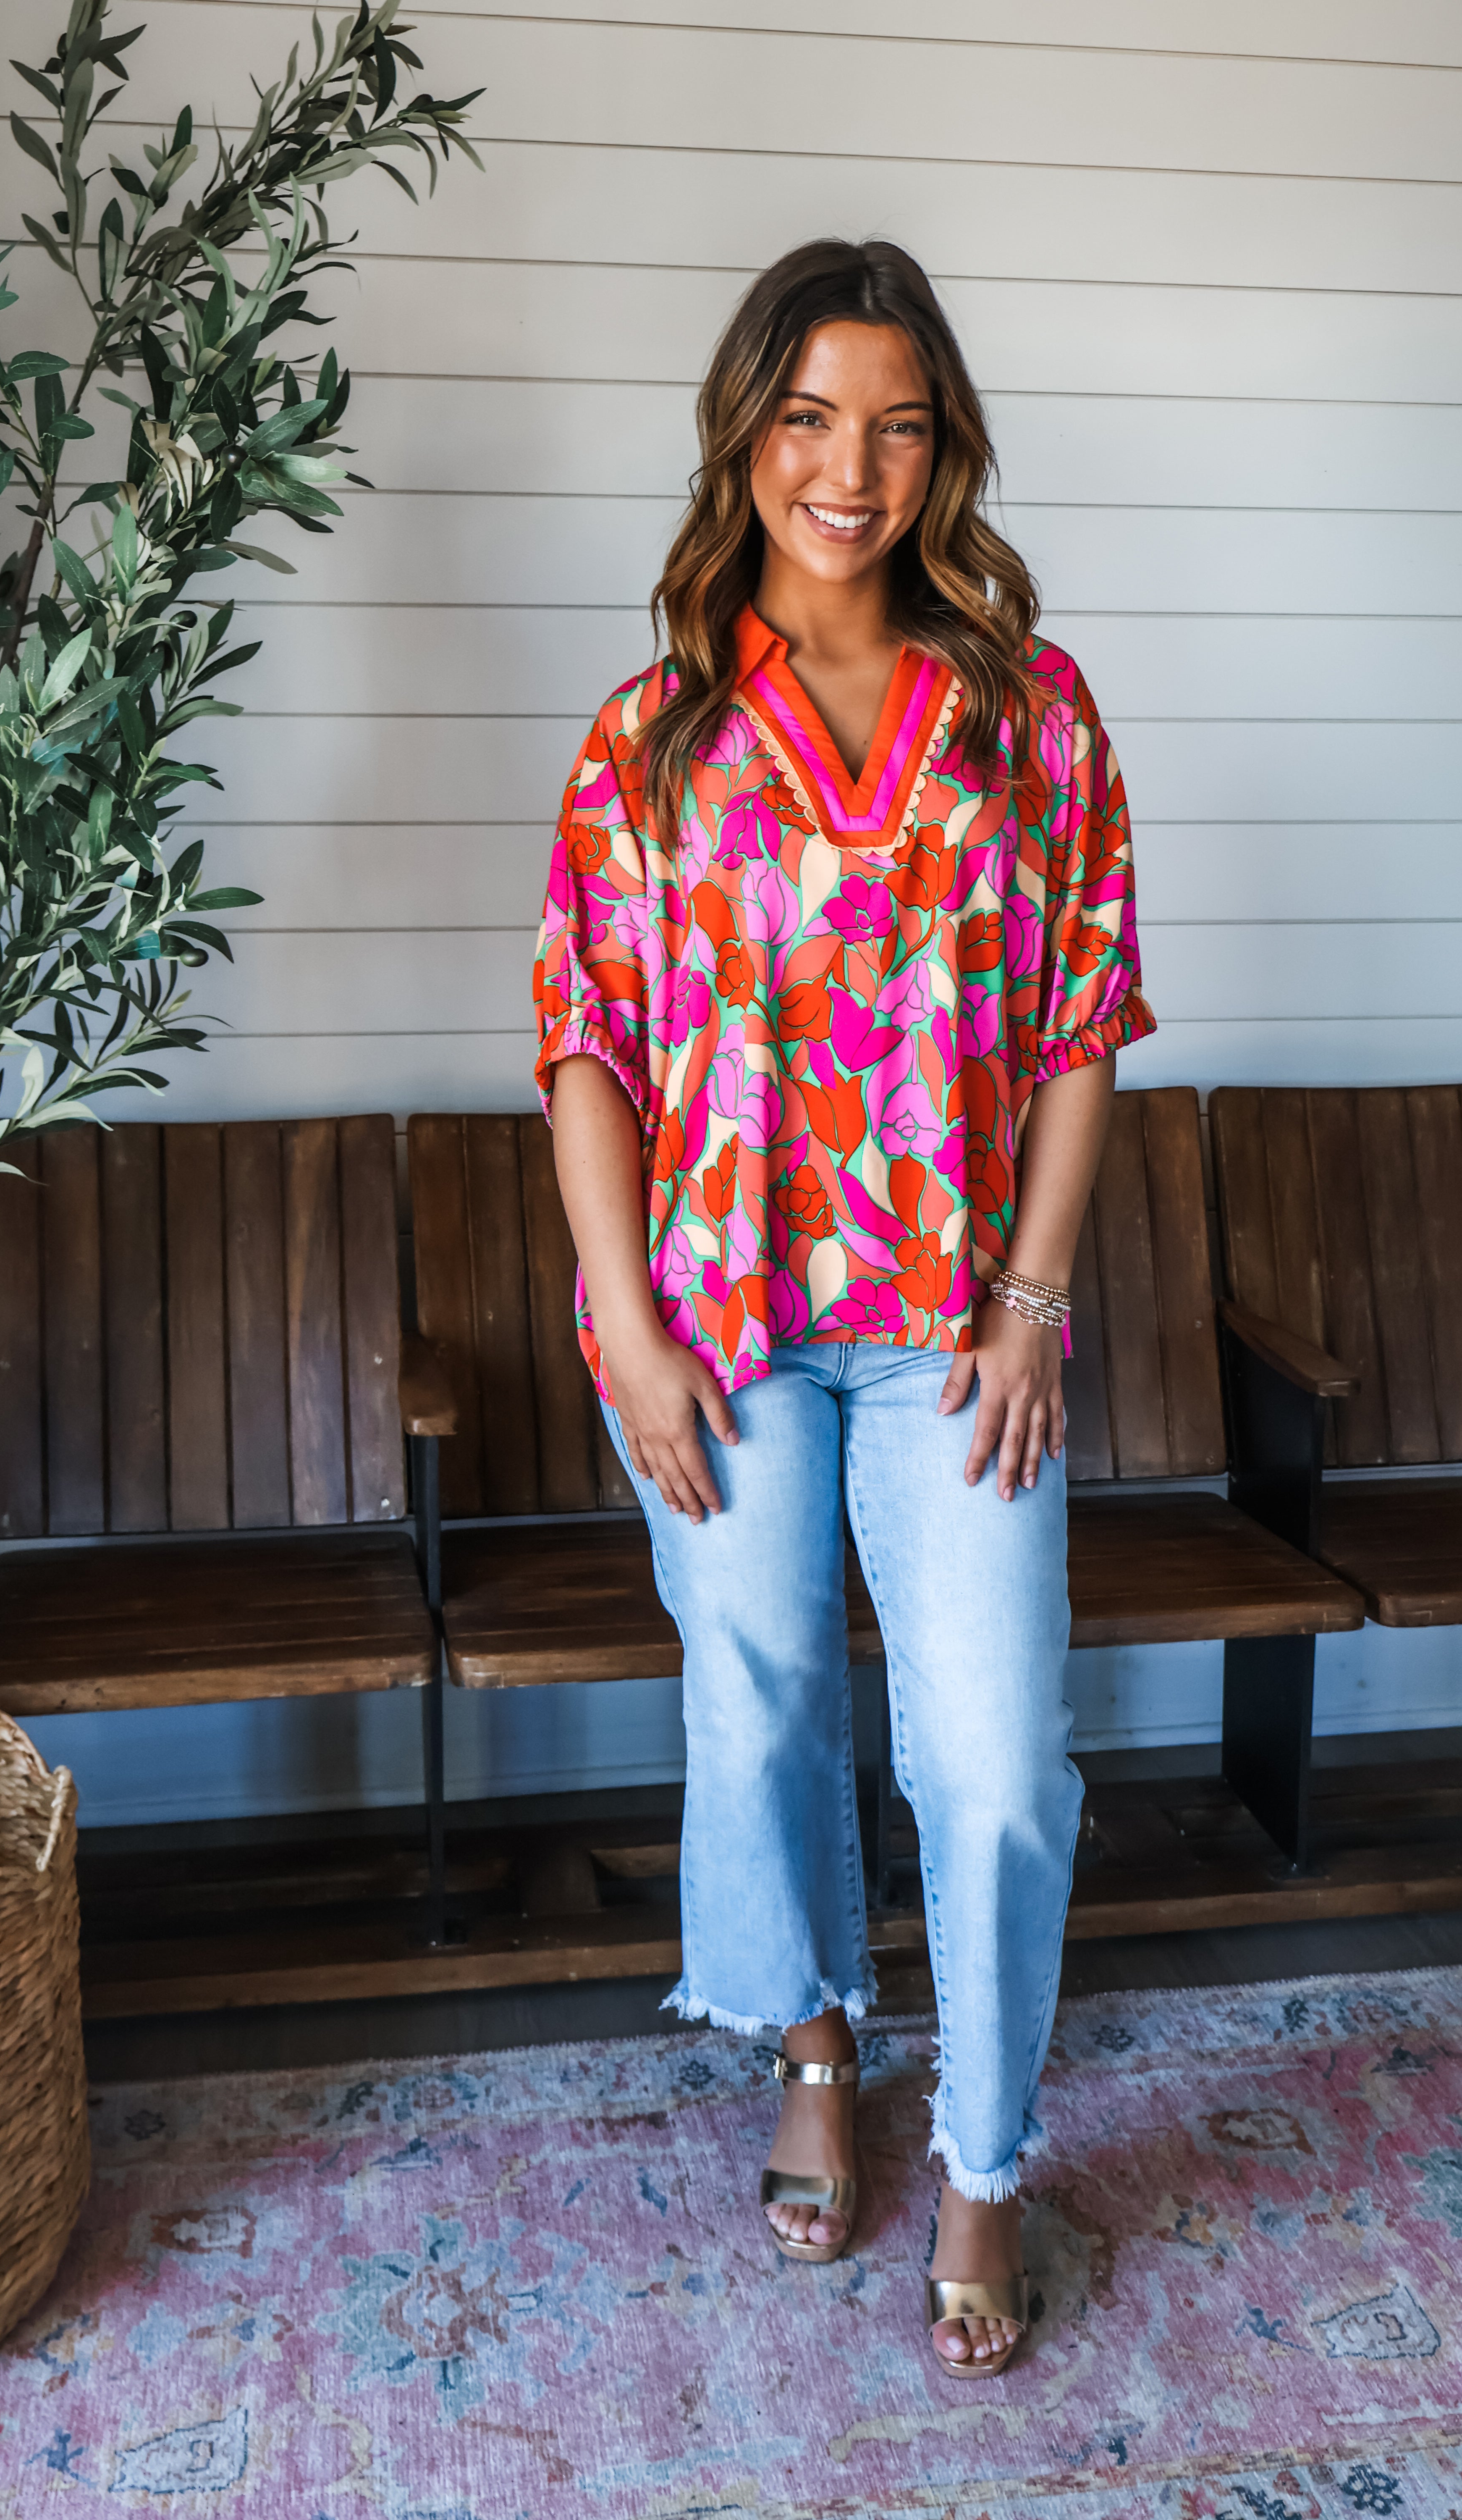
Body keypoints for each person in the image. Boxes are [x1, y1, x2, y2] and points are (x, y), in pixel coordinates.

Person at [532, 237, 1153, 2379]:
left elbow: (1081, 1023)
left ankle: (984, 2153)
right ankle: (813, 2042)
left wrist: (1036, 1300)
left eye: (895, 424)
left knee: (994, 1756)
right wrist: (625, 1321)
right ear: (745, 434)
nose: (849, 467)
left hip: (955, 1331)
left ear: (941, 449)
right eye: (807, 417)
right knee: (766, 1705)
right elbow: (587, 1043)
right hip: (714, 1330)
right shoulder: (653, 731)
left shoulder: (1031, 713)